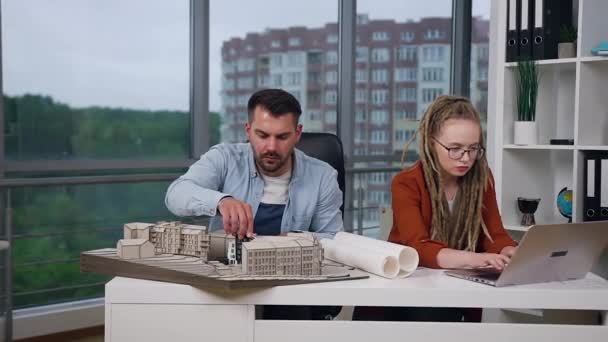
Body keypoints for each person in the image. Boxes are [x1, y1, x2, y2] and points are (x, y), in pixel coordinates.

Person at [165, 88, 344, 320]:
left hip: (289, 284)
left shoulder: (323, 176)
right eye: (262, 135)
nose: (271, 147)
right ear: (248, 131)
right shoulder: (224, 158)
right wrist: (221, 200)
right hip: (228, 280)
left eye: (282, 137)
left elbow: (334, 238)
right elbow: (175, 194)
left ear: (298, 133)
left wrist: (296, 240)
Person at [354, 95, 517, 322]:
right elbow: (419, 247)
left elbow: (494, 235)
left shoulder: (482, 178)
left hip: (453, 288)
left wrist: (510, 250)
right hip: (404, 295)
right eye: (455, 148)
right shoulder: (406, 182)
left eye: (473, 149)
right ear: (432, 142)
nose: (466, 158)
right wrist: (475, 259)